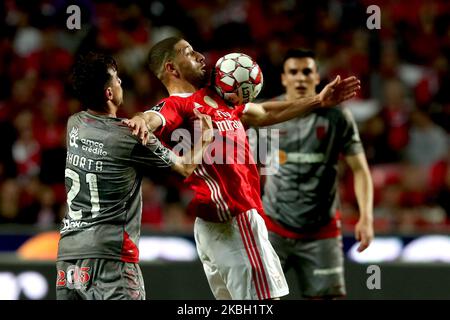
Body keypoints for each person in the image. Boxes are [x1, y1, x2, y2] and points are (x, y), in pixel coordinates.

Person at [125, 37, 360, 300]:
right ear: (171, 68)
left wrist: (317, 101)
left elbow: (265, 113)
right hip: (234, 218)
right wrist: (140, 120)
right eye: (189, 53)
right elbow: (153, 117)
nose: (201, 56)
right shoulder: (178, 106)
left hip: (219, 224)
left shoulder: (218, 98)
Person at [56, 52, 212, 300]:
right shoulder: (130, 136)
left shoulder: (74, 124)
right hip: (112, 257)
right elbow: (184, 167)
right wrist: (205, 138)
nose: (121, 84)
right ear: (109, 94)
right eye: (117, 80)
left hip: (69, 256)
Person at [260, 48, 374, 299]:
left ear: (316, 77)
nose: (300, 78)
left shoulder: (337, 117)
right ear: (283, 78)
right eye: (294, 72)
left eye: (307, 72)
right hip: (272, 228)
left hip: (321, 232)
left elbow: (360, 170)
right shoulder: (267, 116)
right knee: (258, 301)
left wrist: (366, 217)